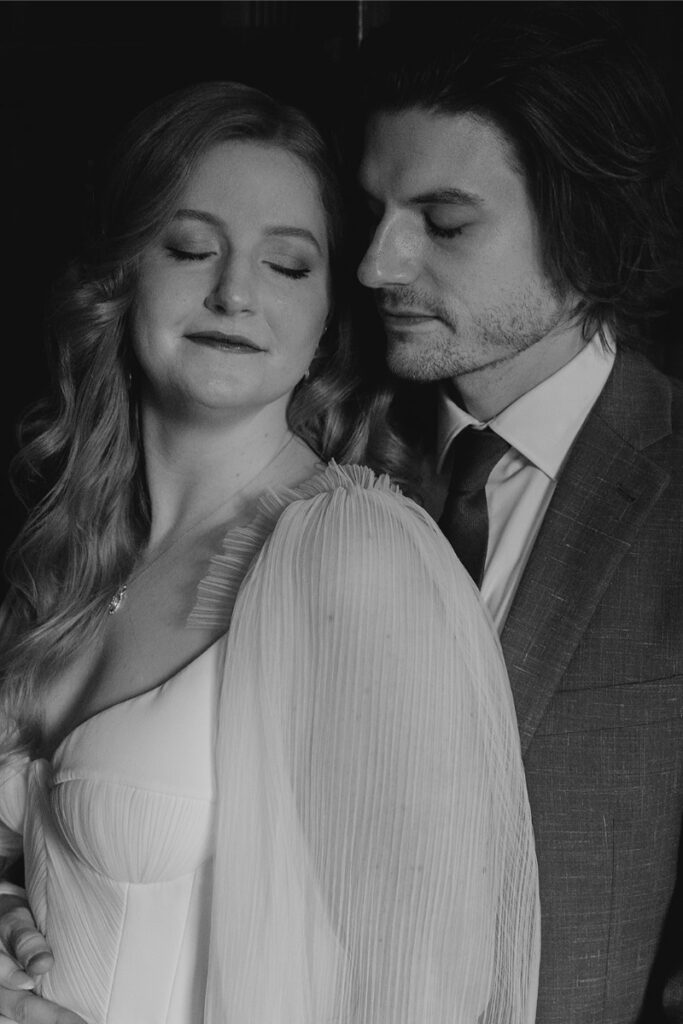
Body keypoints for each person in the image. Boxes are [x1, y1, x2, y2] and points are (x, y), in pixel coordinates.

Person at [0, 81, 540, 1023]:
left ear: (328, 317)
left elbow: (421, 997)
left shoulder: (353, 558)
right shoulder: (67, 543)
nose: (234, 291)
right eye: (191, 248)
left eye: (287, 265)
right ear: (125, 276)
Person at [352, 5, 683, 1024]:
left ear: (585, 231)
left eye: (443, 223)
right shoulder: (313, 451)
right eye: (369, 209)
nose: (374, 264)